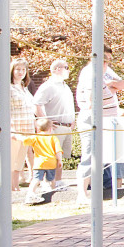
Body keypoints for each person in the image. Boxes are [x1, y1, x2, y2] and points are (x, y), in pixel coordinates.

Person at [75, 46, 124, 204]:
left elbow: (122, 84)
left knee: (106, 156)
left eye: (109, 59)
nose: (107, 62)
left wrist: (111, 84)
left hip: (108, 120)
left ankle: (103, 191)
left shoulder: (106, 71)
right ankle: (82, 194)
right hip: (92, 120)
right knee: (89, 156)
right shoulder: (89, 72)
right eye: (104, 58)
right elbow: (92, 98)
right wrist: (110, 87)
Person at [33, 59, 75, 190]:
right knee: (52, 156)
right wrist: (46, 122)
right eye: (66, 67)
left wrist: (72, 122)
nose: (68, 70)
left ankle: (57, 181)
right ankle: (47, 182)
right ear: (57, 69)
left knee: (60, 156)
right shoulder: (48, 86)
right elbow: (37, 104)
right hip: (56, 127)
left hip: (67, 126)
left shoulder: (65, 86)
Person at [22, 118, 63, 205]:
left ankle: (30, 193)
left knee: (36, 179)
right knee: (51, 179)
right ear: (50, 129)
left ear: (37, 129)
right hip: (51, 162)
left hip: (39, 163)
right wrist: (59, 160)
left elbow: (25, 141)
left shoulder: (35, 137)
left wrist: (17, 136)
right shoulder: (53, 138)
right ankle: (52, 193)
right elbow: (58, 151)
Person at [9, 58, 35, 191]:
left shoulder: (25, 88)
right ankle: (10, 187)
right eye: (18, 69)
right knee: (11, 160)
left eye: (23, 70)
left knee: (19, 162)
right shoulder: (9, 88)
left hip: (27, 130)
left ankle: (16, 187)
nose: (21, 72)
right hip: (15, 129)